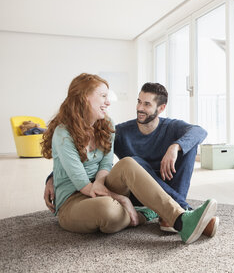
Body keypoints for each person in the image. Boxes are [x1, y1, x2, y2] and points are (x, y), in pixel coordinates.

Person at [41, 73, 217, 244]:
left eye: (147, 104)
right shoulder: (64, 134)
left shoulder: (107, 124)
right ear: (84, 98)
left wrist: (175, 147)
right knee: (110, 211)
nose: (108, 102)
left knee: (131, 162)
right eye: (103, 96)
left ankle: (179, 219)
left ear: (161, 108)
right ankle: (148, 213)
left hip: (106, 187)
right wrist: (121, 198)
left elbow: (105, 163)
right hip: (75, 199)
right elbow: (79, 178)